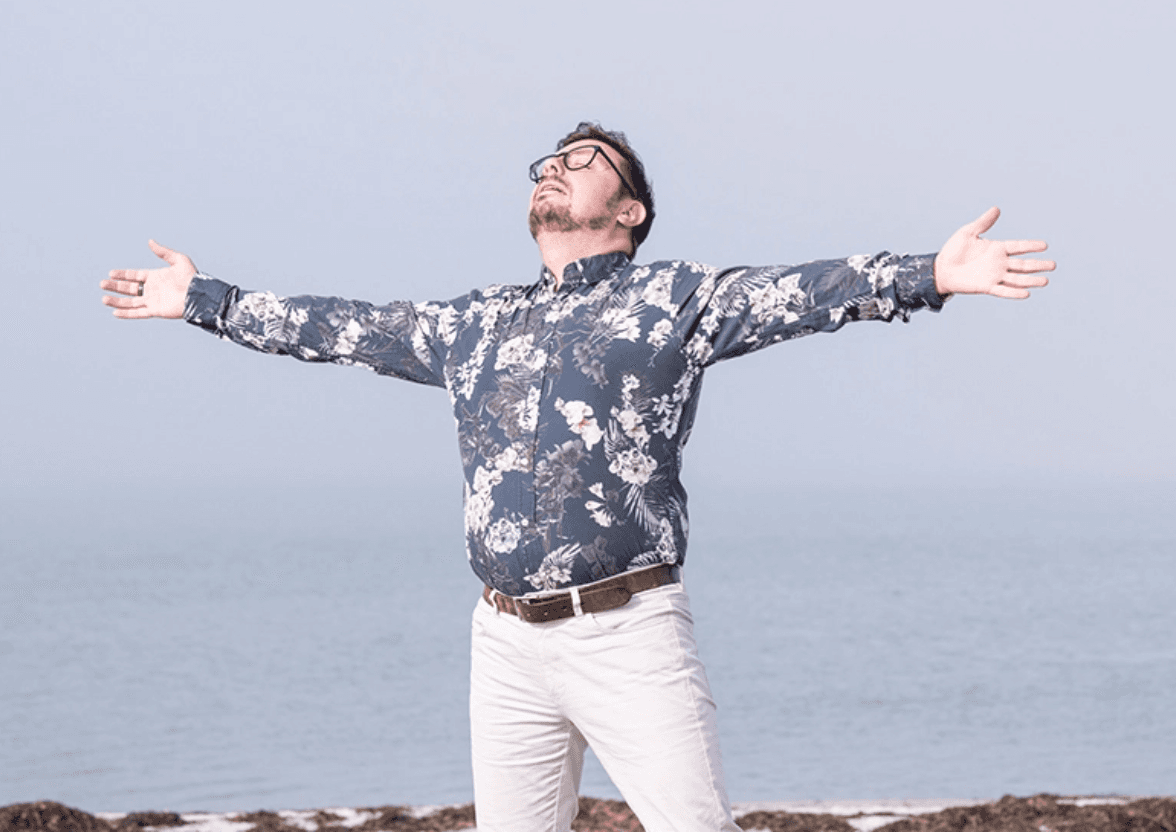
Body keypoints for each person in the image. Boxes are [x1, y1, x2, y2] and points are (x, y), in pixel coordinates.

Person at [101, 122, 1054, 832]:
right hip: (504, 642)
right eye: (548, 159)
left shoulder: (675, 298)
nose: (554, 165)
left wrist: (932, 273)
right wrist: (203, 299)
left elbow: (803, 293)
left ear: (629, 209)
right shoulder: (474, 324)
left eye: (583, 158)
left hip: (628, 631)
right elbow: (340, 327)